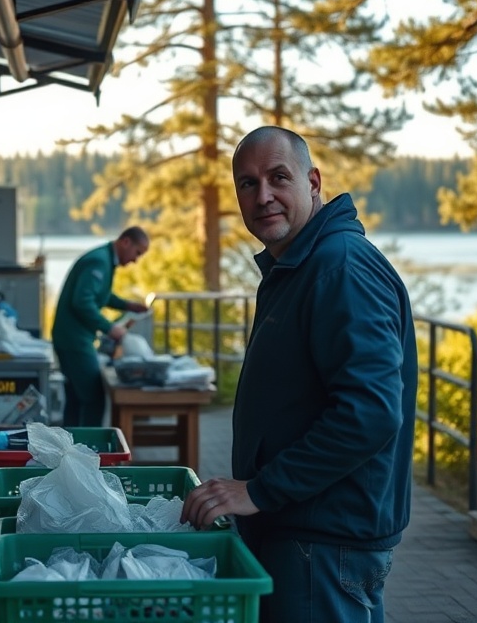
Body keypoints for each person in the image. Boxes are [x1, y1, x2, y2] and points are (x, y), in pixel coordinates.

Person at [181, 127, 417, 623]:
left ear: (313, 182)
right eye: (247, 183)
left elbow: (371, 413)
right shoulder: (302, 265)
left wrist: (260, 490)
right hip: (306, 533)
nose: (262, 195)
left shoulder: (340, 267)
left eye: (277, 177)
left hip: (324, 543)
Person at [51, 226, 151, 426]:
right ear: (126, 242)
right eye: (137, 253)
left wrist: (127, 305)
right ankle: (91, 451)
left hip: (69, 337)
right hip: (75, 340)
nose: (135, 260)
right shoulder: (99, 261)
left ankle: (68, 448)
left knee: (76, 399)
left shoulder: (104, 258)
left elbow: (100, 295)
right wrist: (109, 328)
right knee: (94, 398)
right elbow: (82, 301)